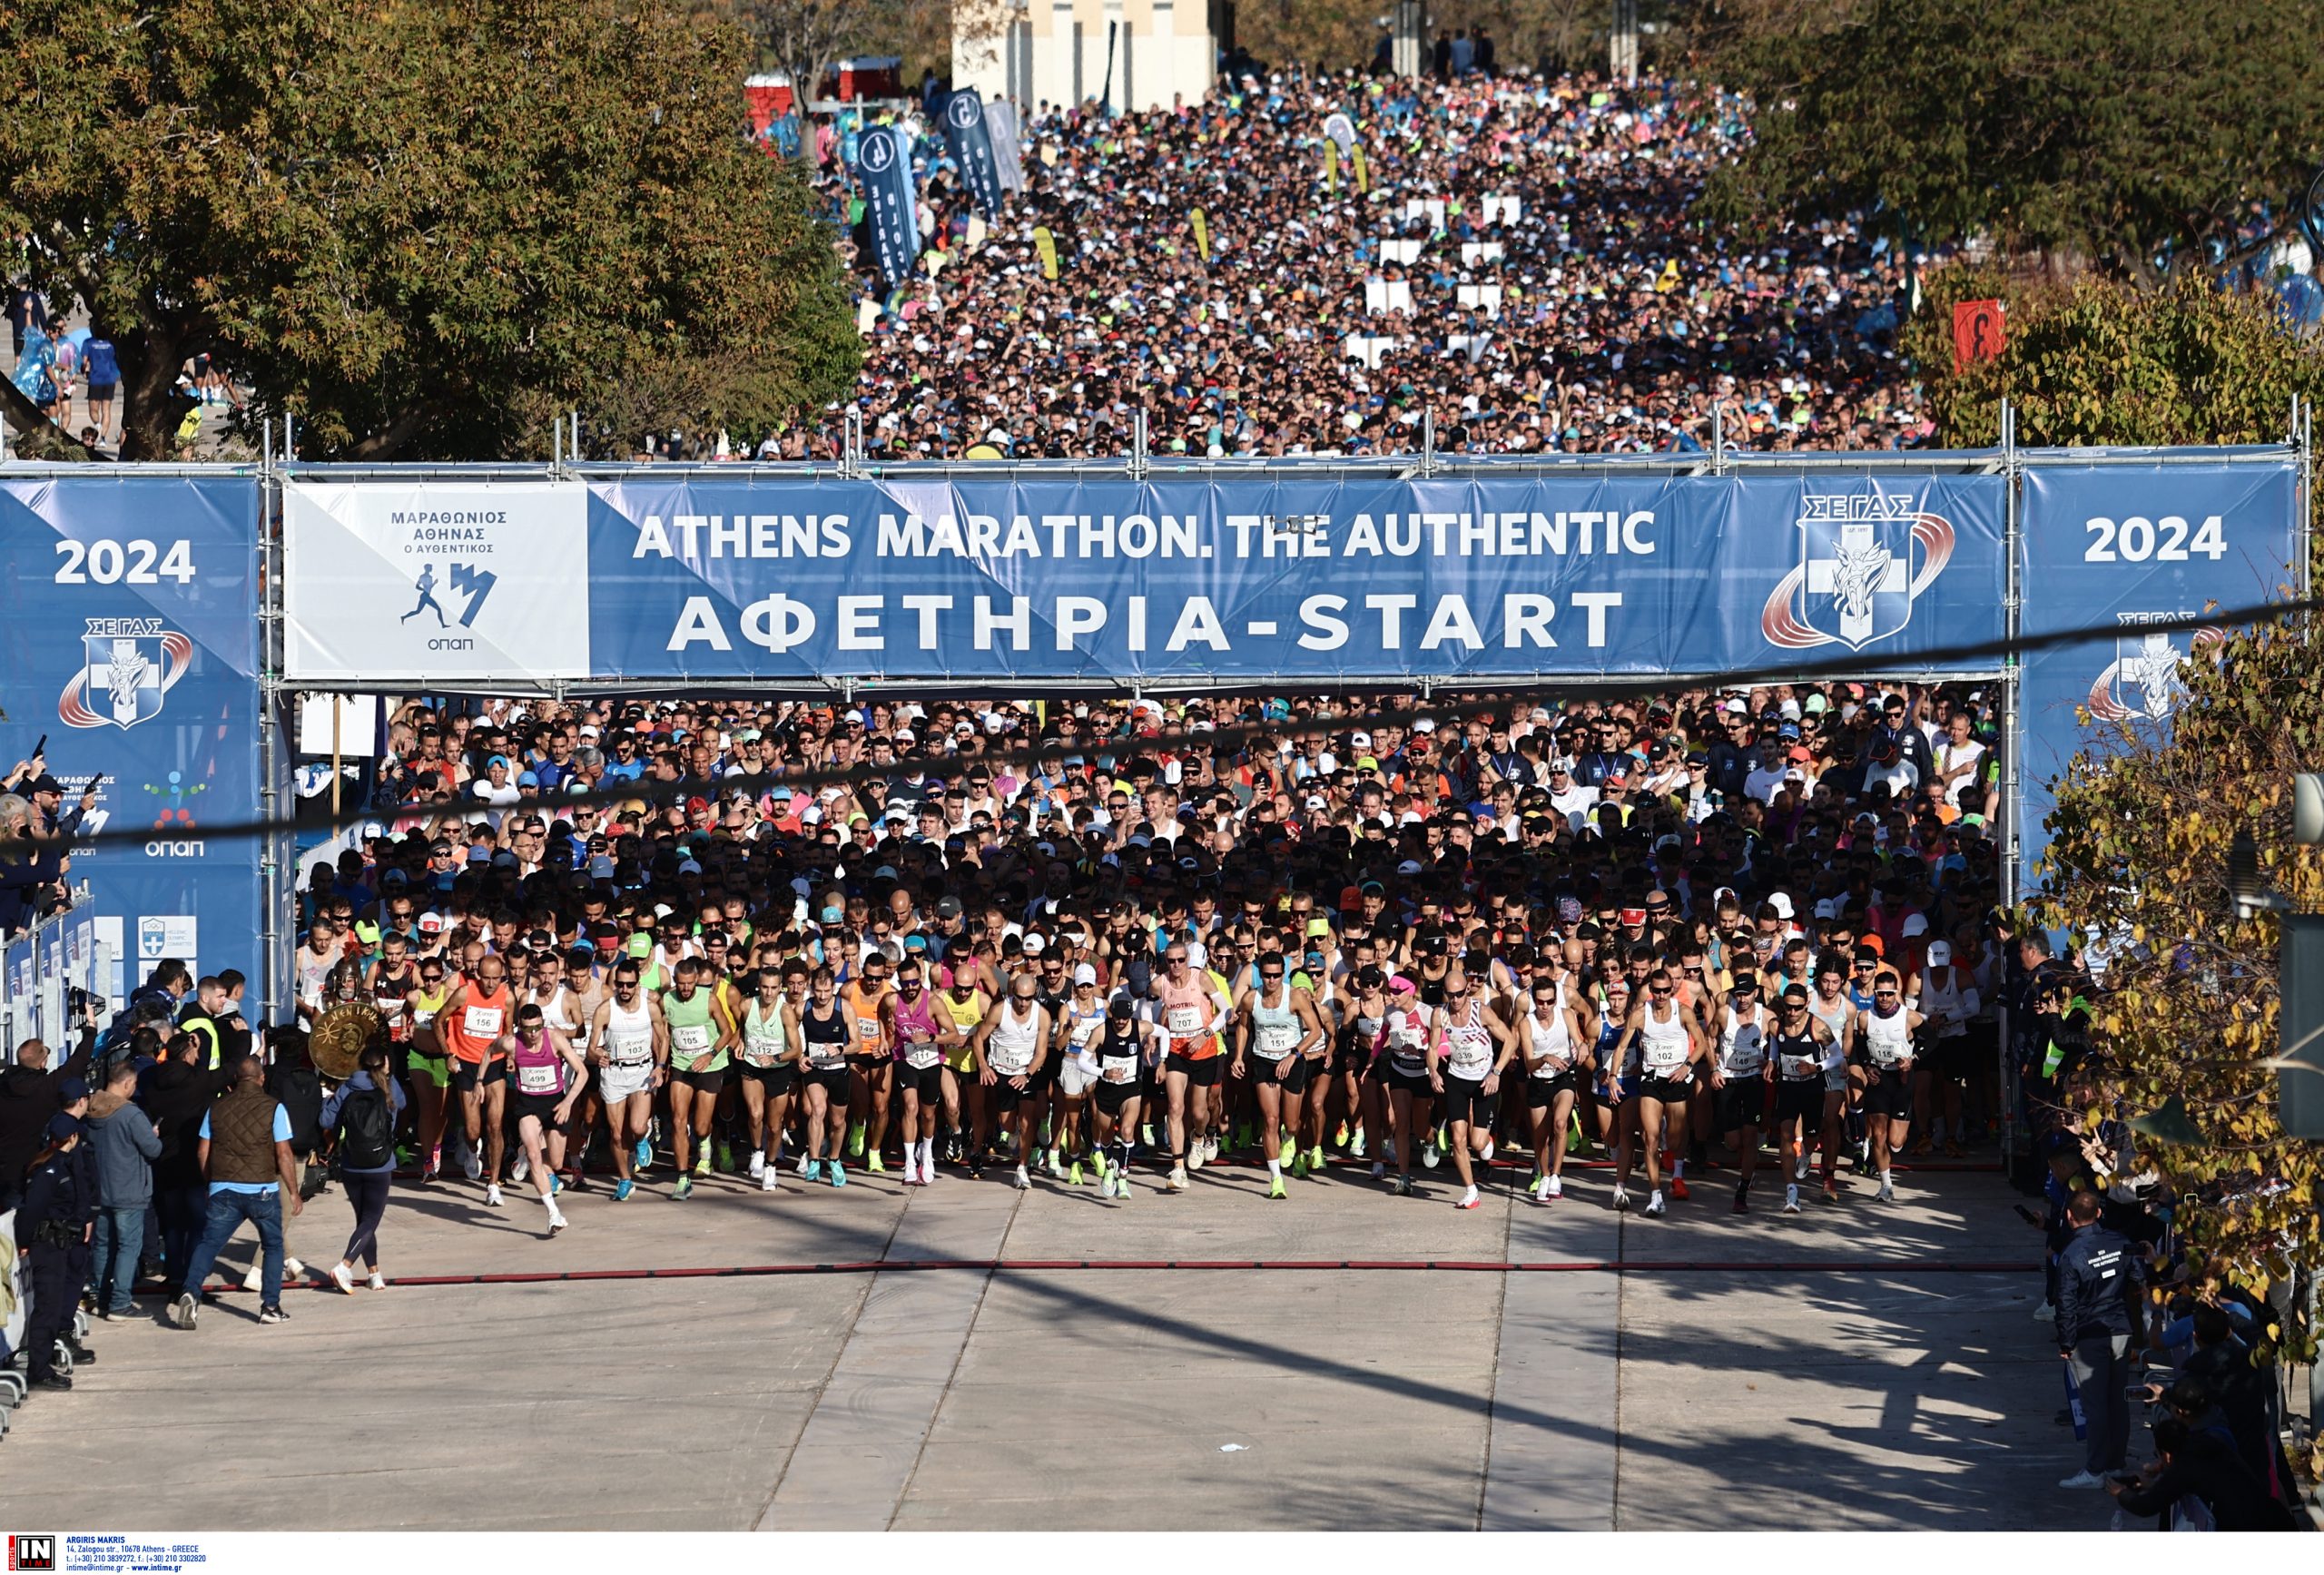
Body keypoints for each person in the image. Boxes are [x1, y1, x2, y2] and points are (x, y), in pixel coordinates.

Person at [170, 1057, 304, 1330]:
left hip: (223, 1188)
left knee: (208, 1244)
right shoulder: (273, 1107)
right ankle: (270, 1306)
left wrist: (212, 1182)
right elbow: (284, 1153)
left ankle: (190, 1291)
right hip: (262, 1189)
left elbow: (202, 1151)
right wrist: (293, 1191)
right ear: (261, 1078)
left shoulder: (216, 1108)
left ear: (235, 1079)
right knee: (273, 1246)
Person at [2054, 1189, 2140, 1489]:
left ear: (2069, 1216)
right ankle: (2115, 1464)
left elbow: (2065, 1302)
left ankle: (2095, 1470)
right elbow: (2139, 1281)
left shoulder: (2071, 1255)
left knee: (2094, 1406)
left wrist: (2066, 1342)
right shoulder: (2121, 1242)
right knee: (2118, 1401)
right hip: (2120, 1330)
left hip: (2089, 1336)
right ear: (2099, 1213)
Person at [1610, 967, 1706, 1216]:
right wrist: (1612, 1077)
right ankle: (1656, 1195)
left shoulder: (1683, 1012)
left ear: (1672, 990)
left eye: (1666, 990)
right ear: (1650, 991)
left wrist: (1687, 1066)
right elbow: (1621, 1048)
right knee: (1650, 1140)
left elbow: (1702, 1043)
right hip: (1651, 1079)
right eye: (1657, 991)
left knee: (1673, 1141)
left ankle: (1669, 1142)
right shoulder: (1640, 1015)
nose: (1662, 995)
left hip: (1676, 1079)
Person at [1230, 952, 1327, 1198]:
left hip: (1292, 1061)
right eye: (1267, 975)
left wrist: (1294, 1055)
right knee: (1271, 1119)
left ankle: (1289, 1138)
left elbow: (1316, 1031)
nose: (1272, 980)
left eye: (1276, 975)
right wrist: (1239, 1056)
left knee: (1291, 1123)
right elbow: (1243, 1026)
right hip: (1263, 1060)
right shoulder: (1251, 998)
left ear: (1282, 974)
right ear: (1260, 975)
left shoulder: (1294, 997)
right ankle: (1276, 1179)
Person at [15, 1113, 96, 1391]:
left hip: (57, 1245)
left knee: (52, 1305)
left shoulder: (60, 1164)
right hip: (47, 1247)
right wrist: (24, 1241)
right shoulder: (49, 1171)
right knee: (47, 1310)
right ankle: (38, 1370)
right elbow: (31, 1212)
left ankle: (44, 1358)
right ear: (72, 1138)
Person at [320, 1044, 404, 1292]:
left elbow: (325, 1119)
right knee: (370, 1221)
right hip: (380, 1164)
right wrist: (389, 1076)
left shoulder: (347, 1087)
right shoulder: (389, 1088)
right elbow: (403, 1105)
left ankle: (374, 1274)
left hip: (351, 1163)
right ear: (385, 1063)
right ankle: (344, 1266)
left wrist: (329, 1101)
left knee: (363, 1221)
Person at [82, 1056, 159, 1321]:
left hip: (101, 1190)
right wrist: (153, 1134)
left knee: (103, 1245)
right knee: (129, 1247)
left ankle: (102, 1298)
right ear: (127, 1083)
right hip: (129, 1190)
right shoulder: (130, 1114)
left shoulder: (92, 1110)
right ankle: (120, 1303)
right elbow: (153, 1149)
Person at [498, 1003, 584, 1234]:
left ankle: (526, 1151)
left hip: (555, 1104)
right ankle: (553, 1213)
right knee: (537, 1157)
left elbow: (582, 1072)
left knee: (555, 1163)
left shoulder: (554, 1039)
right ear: (520, 1027)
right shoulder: (511, 1042)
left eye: (537, 1027)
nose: (533, 1033)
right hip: (527, 1105)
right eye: (528, 1029)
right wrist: (478, 1080)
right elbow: (488, 1052)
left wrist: (567, 1102)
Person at [439, 951, 515, 1205]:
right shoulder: (464, 993)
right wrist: (448, 1054)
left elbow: (509, 1030)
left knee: (495, 1124)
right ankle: (472, 1150)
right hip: (467, 1065)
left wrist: (511, 1057)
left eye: (496, 978)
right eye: (486, 978)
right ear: (477, 975)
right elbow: (438, 1020)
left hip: (494, 1066)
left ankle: (493, 1184)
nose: (491, 984)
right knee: (473, 1130)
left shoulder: (508, 997)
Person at [586, 961, 666, 1201]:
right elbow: (591, 1048)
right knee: (617, 1134)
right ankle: (625, 1179)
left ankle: (643, 1139)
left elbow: (663, 1039)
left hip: (642, 1072)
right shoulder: (605, 1010)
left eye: (629, 985)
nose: (624, 989)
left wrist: (660, 1067)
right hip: (614, 1074)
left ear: (637, 985)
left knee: (637, 1127)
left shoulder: (650, 1008)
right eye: (620, 984)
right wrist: (597, 1056)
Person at [971, 971, 1050, 1190]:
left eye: (1029, 998)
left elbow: (1041, 1053)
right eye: (1020, 997)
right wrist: (983, 1066)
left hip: (1027, 1074)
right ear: (1013, 993)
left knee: (1027, 1122)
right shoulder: (999, 1011)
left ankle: (1022, 1169)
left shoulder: (1042, 1015)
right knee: (1007, 1123)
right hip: (1003, 1073)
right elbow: (978, 1039)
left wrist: (1027, 1074)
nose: (1024, 1003)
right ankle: (1012, 1133)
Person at [0, 1035, 94, 1212]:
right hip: (33, 1168)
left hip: (5, 1169)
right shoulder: (45, 1088)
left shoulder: (3, 1086)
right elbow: (77, 1063)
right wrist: (90, 1028)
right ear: (42, 1063)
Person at [1853, 968, 1923, 1203]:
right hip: (1879, 1079)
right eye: (1880, 994)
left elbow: (1931, 1041)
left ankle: (1897, 1144)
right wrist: (1866, 1066)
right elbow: (1859, 1046)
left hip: (1901, 1081)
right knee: (1879, 1136)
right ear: (1874, 993)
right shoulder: (1865, 1017)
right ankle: (1886, 1185)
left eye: (1889, 994)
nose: (1884, 999)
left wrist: (1912, 1060)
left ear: (1896, 993)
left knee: (1895, 1141)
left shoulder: (1909, 1016)